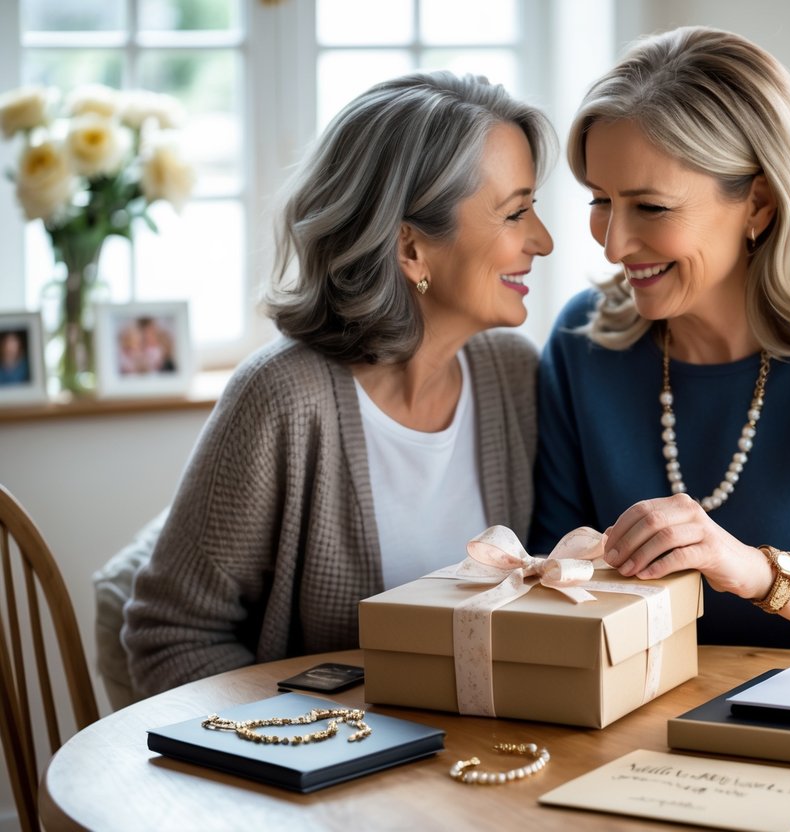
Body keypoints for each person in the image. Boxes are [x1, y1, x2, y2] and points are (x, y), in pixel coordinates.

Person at [122, 71, 555, 696]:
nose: (542, 240)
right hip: (325, 774)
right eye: (516, 213)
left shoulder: (512, 374)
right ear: (411, 250)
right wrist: (307, 743)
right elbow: (171, 637)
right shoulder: (282, 399)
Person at [531, 27, 790, 655]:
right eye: (601, 201)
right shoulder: (581, 344)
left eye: (651, 207)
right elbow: (553, 586)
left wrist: (752, 571)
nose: (613, 244)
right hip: (632, 723)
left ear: (758, 203)